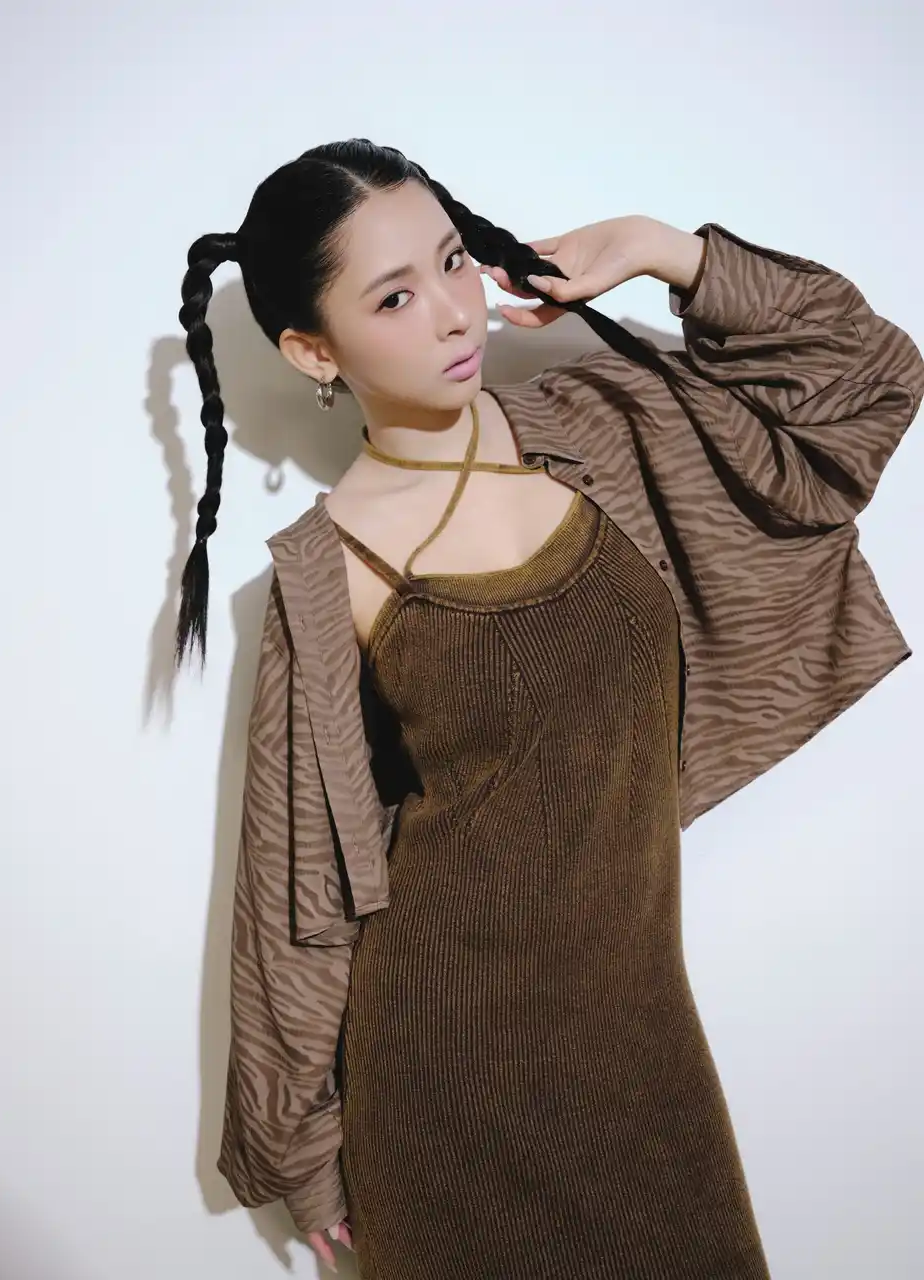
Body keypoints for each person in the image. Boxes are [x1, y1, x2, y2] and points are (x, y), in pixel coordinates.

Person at [175, 139, 923, 1279]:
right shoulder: (328, 575)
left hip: (641, 1037)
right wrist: (307, 1149)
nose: (452, 312)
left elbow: (864, 377)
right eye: (394, 296)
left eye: (452, 262)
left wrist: (663, 250)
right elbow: (299, 884)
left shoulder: (610, 424)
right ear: (313, 350)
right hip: (442, 1074)